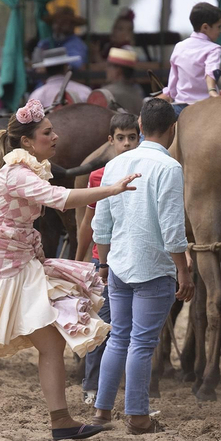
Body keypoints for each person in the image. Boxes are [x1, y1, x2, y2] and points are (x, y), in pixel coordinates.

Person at [0, 99, 140, 440]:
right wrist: (112, 189)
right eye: (47, 133)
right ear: (27, 142)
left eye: (52, 131)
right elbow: (60, 199)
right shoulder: (16, 174)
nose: (55, 137)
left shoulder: (23, 170)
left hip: (19, 267)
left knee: (51, 342)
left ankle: (61, 421)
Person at [90, 99, 192, 434]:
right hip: (154, 267)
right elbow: (173, 229)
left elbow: (101, 222)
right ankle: (137, 416)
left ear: (140, 127)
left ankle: (102, 412)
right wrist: (184, 271)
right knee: (142, 343)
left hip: (119, 264)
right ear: (173, 129)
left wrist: (104, 262)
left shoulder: (115, 164)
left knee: (118, 338)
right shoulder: (169, 168)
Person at [73, 111, 143, 401]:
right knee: (101, 326)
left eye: (132, 138)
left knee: (134, 328)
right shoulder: (98, 176)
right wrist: (80, 259)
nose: (126, 143)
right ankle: (92, 386)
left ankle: (126, 388)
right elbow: (88, 223)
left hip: (136, 256)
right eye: (121, 138)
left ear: (139, 139)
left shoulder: (148, 173)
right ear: (110, 140)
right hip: (102, 259)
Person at [162, 2, 221, 114]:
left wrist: (170, 95)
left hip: (181, 107)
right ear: (205, 27)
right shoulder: (214, 48)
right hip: (206, 106)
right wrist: (211, 90)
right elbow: (211, 70)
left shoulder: (179, 46)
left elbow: (174, 78)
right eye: (219, 27)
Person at [34, 5, 89, 69]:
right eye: (56, 22)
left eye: (64, 23)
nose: (58, 26)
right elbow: (35, 61)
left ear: (72, 25)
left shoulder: (76, 44)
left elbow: (75, 64)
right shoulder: (45, 42)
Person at [96, 46, 146, 113]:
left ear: (118, 70)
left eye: (109, 66)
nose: (106, 69)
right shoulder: (138, 92)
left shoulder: (107, 93)